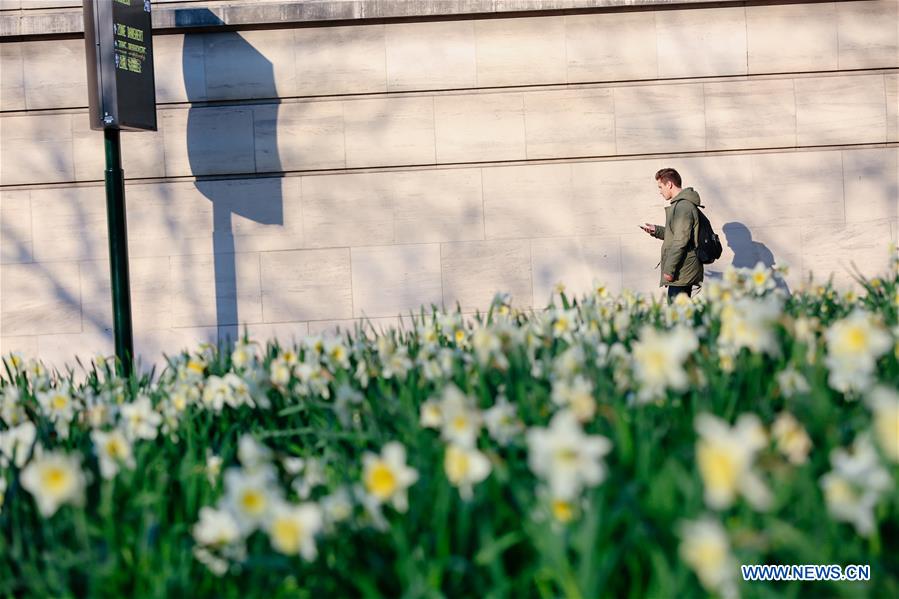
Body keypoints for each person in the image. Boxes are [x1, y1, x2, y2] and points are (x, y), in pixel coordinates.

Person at [639, 168, 704, 302]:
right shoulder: (679, 205)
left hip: (682, 271)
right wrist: (656, 230)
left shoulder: (683, 207)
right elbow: (675, 234)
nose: (660, 191)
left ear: (669, 184)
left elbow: (680, 241)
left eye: (661, 187)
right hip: (682, 270)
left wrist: (669, 270)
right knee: (681, 316)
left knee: (677, 317)